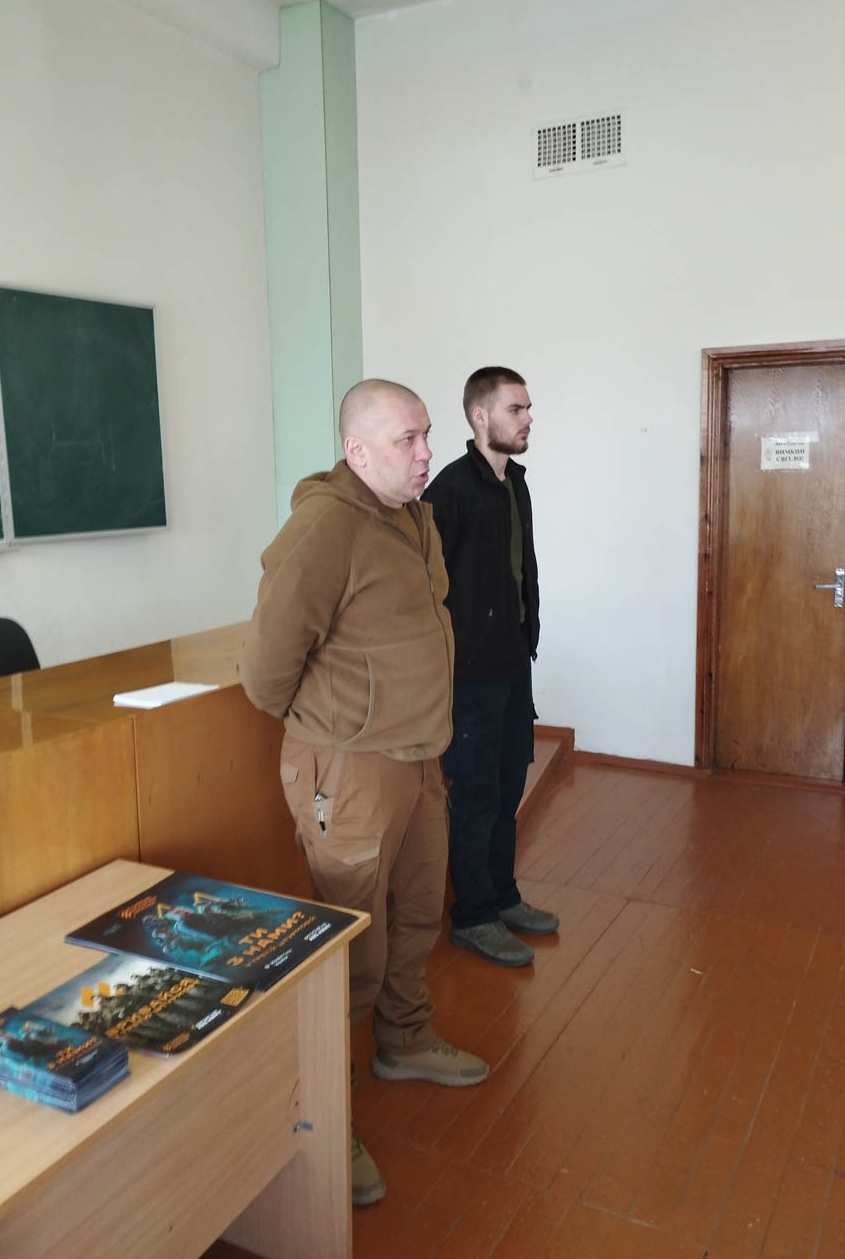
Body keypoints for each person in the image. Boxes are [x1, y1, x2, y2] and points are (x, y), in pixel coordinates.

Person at [240, 378, 489, 1209]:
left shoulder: (413, 516)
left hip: (418, 758)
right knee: (350, 943)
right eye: (407, 439)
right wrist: (336, 728)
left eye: (426, 435)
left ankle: (403, 1039)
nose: (426, 453)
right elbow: (265, 671)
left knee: (416, 914)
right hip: (349, 769)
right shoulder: (325, 528)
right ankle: (325, 1109)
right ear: (357, 450)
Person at [423, 367, 559, 968]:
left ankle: (503, 897)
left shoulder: (515, 483)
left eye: (527, 409)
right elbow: (425, 586)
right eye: (516, 409)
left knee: (507, 786)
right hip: (470, 676)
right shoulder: (450, 491)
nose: (528, 419)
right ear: (481, 416)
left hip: (512, 664)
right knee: (476, 795)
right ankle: (473, 916)